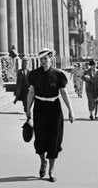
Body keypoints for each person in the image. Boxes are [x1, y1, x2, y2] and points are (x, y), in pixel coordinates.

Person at [26, 48, 75, 183]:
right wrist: (28, 109)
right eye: (41, 59)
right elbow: (31, 92)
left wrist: (71, 110)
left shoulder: (58, 75)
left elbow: (64, 93)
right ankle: (43, 162)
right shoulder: (34, 74)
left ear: (51, 59)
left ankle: (51, 170)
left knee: (54, 139)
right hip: (40, 108)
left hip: (54, 109)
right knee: (40, 138)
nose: (43, 61)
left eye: (46, 58)